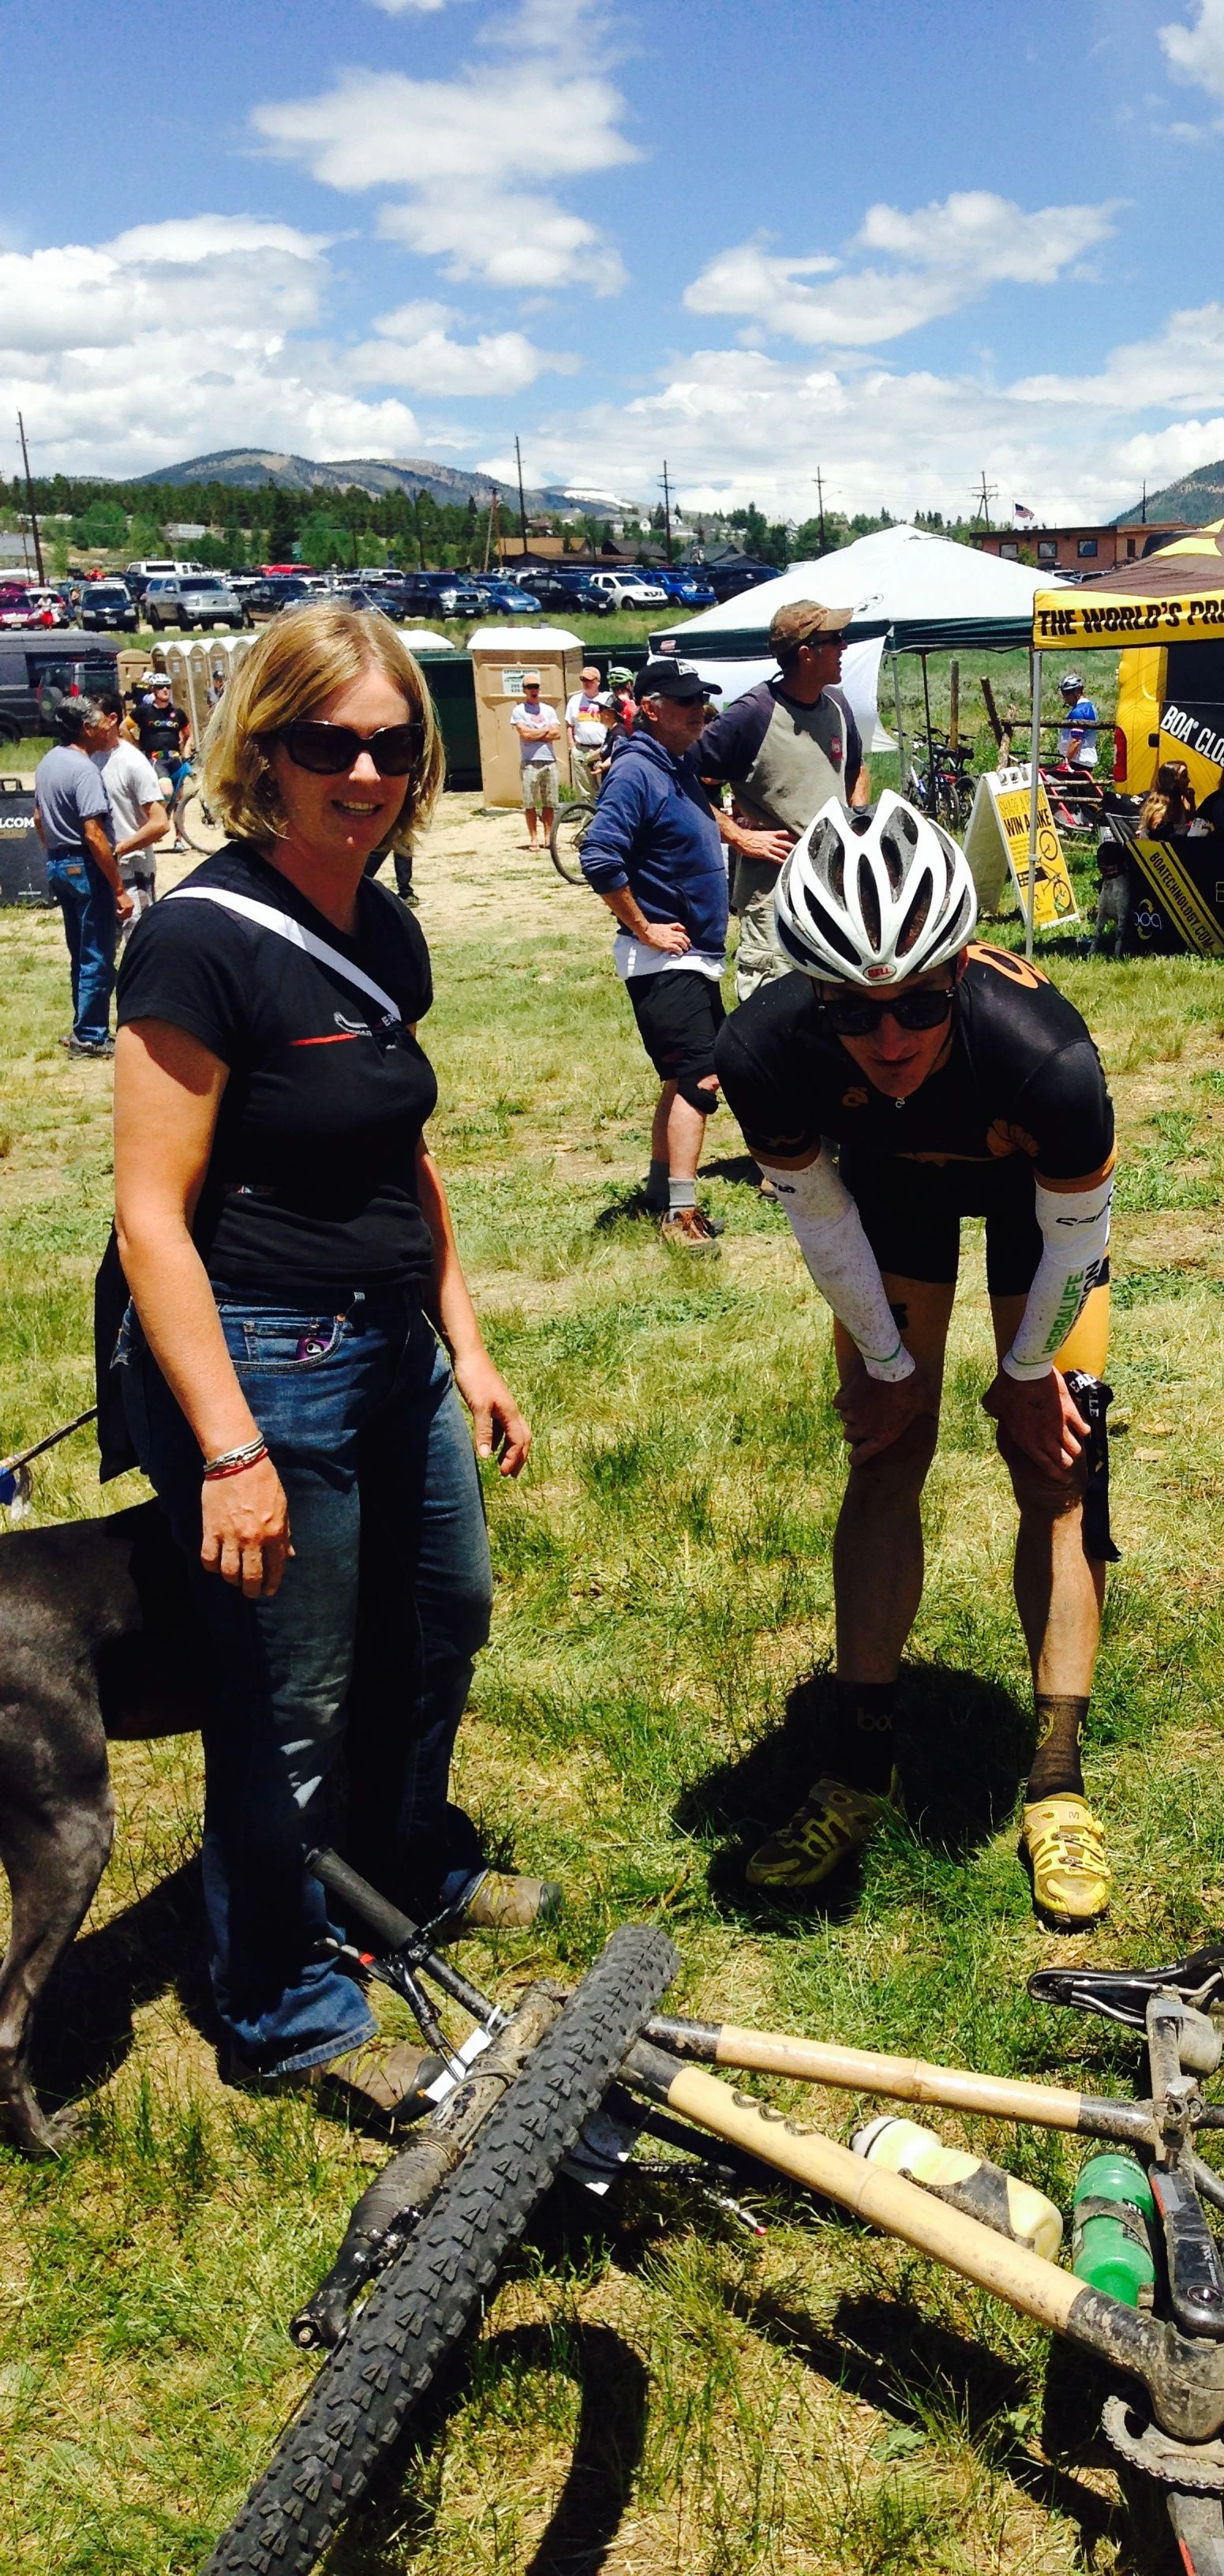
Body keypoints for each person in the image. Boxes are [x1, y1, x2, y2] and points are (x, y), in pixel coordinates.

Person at [110, 602, 544, 2128]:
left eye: (390, 743)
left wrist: (467, 1344)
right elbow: (151, 1217)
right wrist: (230, 1446)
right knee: (284, 1693)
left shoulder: (385, 922)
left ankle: (400, 1866)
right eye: (326, 743)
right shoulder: (199, 939)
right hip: (264, 1358)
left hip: (394, 1344)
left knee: (443, 1613)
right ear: (264, 750)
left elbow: (401, 1155)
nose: (362, 772)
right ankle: (279, 1991)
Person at [714, 792, 1119, 1930]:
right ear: (812, 996)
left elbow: (1078, 1241)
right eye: (854, 1013)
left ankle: (1056, 1779)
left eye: (922, 1006)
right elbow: (821, 1225)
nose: (890, 1042)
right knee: (887, 1452)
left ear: (957, 974)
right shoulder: (762, 1046)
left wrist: (1032, 1375)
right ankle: (858, 1767)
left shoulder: (1049, 1058)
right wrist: (887, 1362)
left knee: (1057, 1477)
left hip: (1039, 1214)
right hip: (887, 1196)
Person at [578, 657, 728, 1249]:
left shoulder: (677, 763)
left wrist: (736, 834)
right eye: (686, 702)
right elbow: (599, 858)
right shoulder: (637, 771)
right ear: (650, 708)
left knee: (680, 1076)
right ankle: (681, 1216)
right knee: (700, 1078)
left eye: (702, 701)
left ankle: (661, 1188)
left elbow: (699, 813)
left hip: (692, 957)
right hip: (667, 959)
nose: (699, 711)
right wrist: (645, 928)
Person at [698, 601, 866, 1002]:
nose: (845, 646)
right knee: (772, 1003)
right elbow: (676, 777)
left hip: (836, 883)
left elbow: (856, 768)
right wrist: (737, 835)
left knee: (838, 996)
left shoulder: (838, 705)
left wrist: (859, 822)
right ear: (807, 654)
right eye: (835, 639)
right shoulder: (753, 714)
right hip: (773, 891)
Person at [36, 696, 130, 1058]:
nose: (107, 726)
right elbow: (94, 833)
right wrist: (119, 888)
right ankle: (90, 1036)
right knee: (97, 952)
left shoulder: (48, 763)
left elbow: (39, 819)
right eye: (100, 722)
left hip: (59, 863)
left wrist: (55, 854)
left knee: (79, 950)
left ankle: (82, 1025)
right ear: (86, 728)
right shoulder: (84, 769)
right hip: (84, 867)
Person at [91, 689, 170, 919]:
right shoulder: (90, 757)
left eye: (92, 717)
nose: (86, 723)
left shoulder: (133, 763)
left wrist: (119, 849)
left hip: (132, 871)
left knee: (136, 943)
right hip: (100, 871)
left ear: (113, 718)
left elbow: (160, 823)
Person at [133, 674, 194, 848]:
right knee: (167, 792)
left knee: (179, 800)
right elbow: (124, 728)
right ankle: (158, 823)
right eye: (161, 687)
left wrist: (187, 749)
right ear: (153, 690)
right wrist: (136, 746)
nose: (165, 690)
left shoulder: (178, 713)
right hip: (156, 759)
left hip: (175, 759)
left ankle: (179, 839)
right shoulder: (144, 711)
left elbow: (188, 735)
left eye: (168, 686)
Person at [511, 672, 563, 852]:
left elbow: (557, 734)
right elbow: (524, 735)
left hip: (549, 760)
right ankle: (533, 838)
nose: (534, 690)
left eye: (536, 687)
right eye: (530, 687)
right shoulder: (519, 711)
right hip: (529, 761)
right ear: (524, 690)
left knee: (550, 801)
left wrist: (535, 734)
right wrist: (544, 732)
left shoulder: (549, 710)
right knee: (530, 802)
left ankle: (548, 837)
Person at [565, 664, 608, 796]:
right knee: (585, 792)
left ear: (598, 682)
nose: (586, 683)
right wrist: (572, 748)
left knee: (605, 788)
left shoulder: (606, 698)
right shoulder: (575, 700)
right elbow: (569, 725)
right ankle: (587, 815)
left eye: (590, 680)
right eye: (583, 680)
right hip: (581, 749)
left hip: (601, 749)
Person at [1136, 760, 1196, 839]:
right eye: (1184, 776)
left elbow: (1193, 826)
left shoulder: (1184, 803)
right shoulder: (1160, 811)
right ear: (1172, 782)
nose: (1189, 780)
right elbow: (1158, 837)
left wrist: (1192, 802)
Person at [1057, 671, 1100, 773]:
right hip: (1083, 760)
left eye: (1067, 693)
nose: (1065, 697)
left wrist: (1067, 761)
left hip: (1078, 761)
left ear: (1076, 692)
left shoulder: (1079, 712)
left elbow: (1076, 740)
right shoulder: (1090, 707)